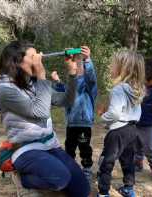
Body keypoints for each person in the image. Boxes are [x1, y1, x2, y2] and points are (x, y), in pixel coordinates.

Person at [0, 41, 90, 197]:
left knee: (82, 190)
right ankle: (24, 180)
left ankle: (45, 175)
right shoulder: (4, 88)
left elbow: (66, 101)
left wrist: (72, 74)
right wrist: (41, 74)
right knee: (60, 178)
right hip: (25, 148)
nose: (39, 59)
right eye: (33, 56)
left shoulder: (33, 82)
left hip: (50, 144)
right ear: (17, 61)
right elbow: (40, 112)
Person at [96, 50, 145, 197]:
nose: (111, 68)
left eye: (113, 65)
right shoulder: (136, 90)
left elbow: (115, 114)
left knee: (107, 162)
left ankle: (103, 192)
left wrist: (102, 117)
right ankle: (129, 189)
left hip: (117, 133)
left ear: (123, 69)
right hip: (132, 130)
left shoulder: (118, 89)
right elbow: (138, 113)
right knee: (128, 160)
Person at [52, 46, 97, 183]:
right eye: (75, 65)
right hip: (71, 124)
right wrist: (57, 81)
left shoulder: (89, 86)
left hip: (84, 125)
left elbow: (91, 78)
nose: (77, 67)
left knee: (85, 149)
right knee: (69, 148)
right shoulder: (71, 83)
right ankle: (70, 169)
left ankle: (87, 170)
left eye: (80, 65)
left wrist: (87, 60)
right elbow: (64, 94)